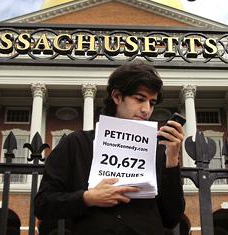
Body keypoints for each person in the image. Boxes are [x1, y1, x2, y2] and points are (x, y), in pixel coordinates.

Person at [34, 62, 186, 235]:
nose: (146, 110)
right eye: (139, 99)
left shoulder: (159, 150)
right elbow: (43, 204)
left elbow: (172, 217)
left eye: (152, 103)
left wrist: (172, 160)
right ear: (117, 96)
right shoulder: (77, 144)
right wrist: (87, 198)